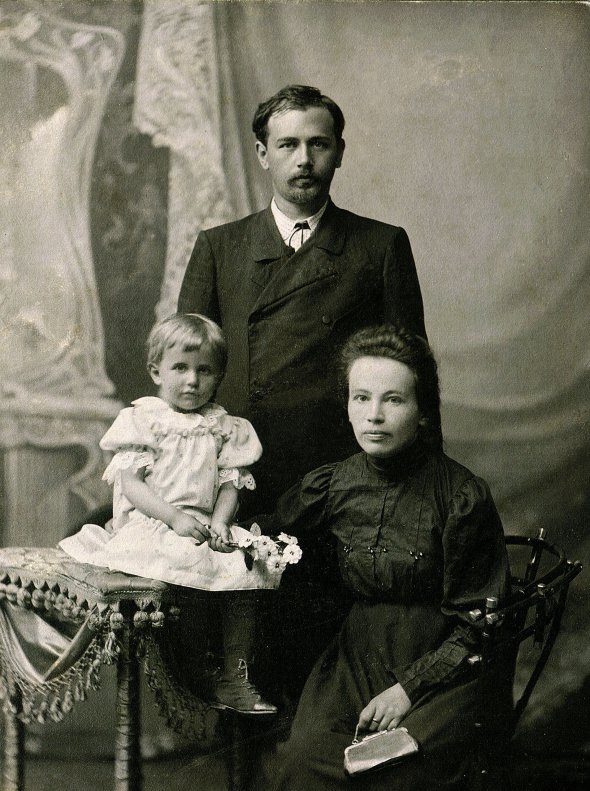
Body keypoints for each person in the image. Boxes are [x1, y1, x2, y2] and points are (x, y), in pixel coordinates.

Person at [178, 84, 428, 695]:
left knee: (317, 640)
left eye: (318, 144)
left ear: (340, 152)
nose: (303, 160)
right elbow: (186, 366)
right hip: (240, 473)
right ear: (262, 154)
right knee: (234, 635)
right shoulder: (220, 246)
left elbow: (413, 373)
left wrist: (416, 483)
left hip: (337, 476)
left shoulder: (378, 246)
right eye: (287, 144)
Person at [250, 323, 512, 789]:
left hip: (444, 665)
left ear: (423, 411)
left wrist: (408, 690)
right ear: (347, 406)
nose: (374, 415)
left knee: (391, 771)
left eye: (393, 399)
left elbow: (479, 621)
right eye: (361, 397)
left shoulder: (460, 496)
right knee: (303, 760)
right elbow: (261, 532)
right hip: (358, 654)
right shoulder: (334, 484)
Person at [59, 313, 293, 715]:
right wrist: (174, 519)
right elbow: (132, 485)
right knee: (184, 566)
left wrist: (220, 522)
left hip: (203, 523)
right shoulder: (144, 419)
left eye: (204, 371)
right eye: (180, 368)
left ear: (218, 376)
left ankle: (235, 677)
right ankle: (193, 671)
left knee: (248, 566)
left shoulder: (223, 426)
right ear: (156, 371)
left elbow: (229, 484)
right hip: (154, 522)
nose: (192, 380)